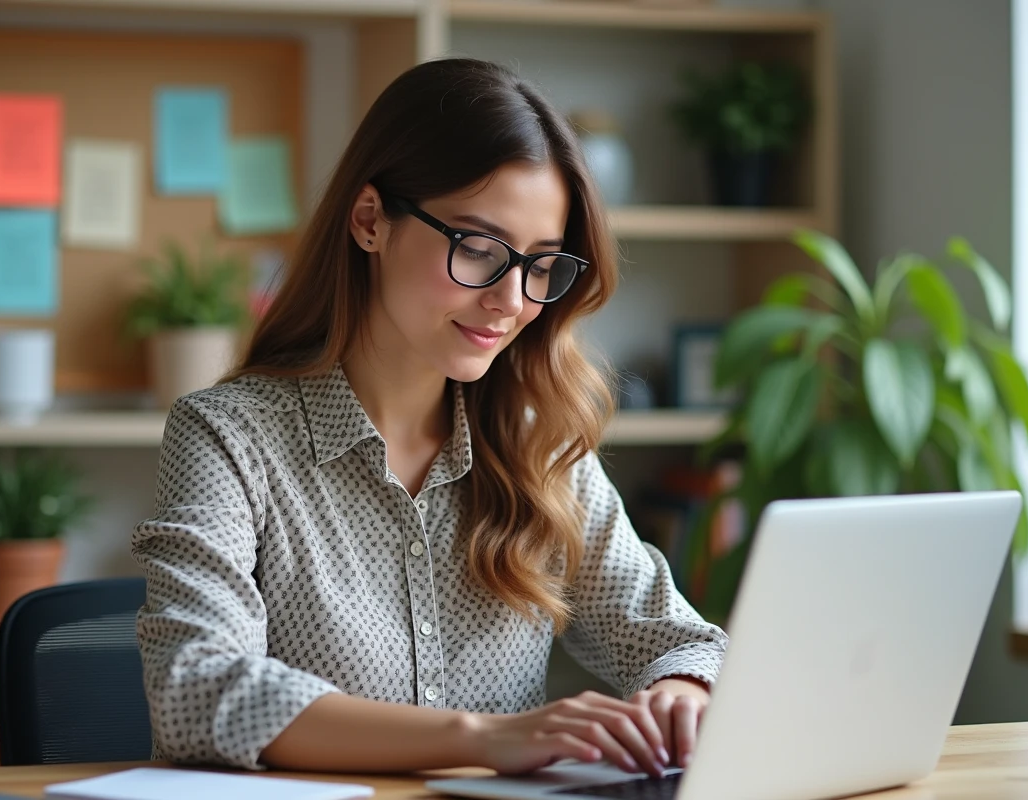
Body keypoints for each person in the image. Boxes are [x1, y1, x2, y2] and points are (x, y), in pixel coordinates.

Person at [132, 57, 728, 778]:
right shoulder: (230, 438)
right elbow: (197, 689)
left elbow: (685, 641)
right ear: (370, 221)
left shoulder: (539, 443)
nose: (511, 300)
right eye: (479, 249)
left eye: (541, 265)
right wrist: (481, 738)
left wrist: (680, 692)